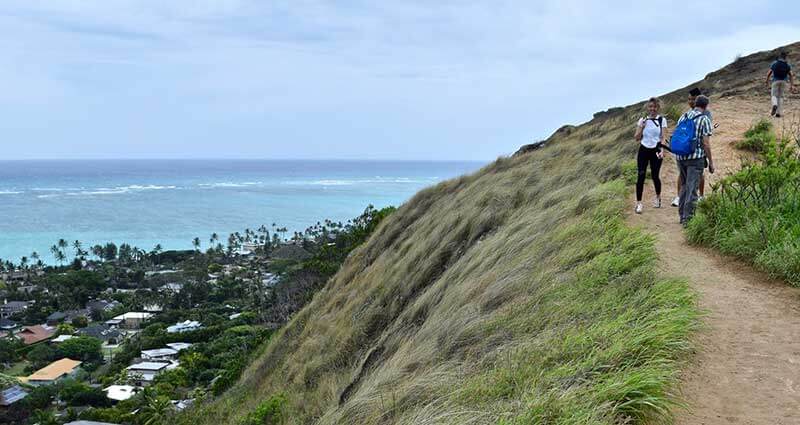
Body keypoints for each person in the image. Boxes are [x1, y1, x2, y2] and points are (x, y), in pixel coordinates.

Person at [674, 95, 714, 226]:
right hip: (695, 158)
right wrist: (711, 162)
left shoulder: (683, 116)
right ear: (706, 106)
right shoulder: (704, 119)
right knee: (692, 189)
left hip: (680, 156)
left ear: (695, 103)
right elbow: (706, 143)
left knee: (685, 186)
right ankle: (688, 220)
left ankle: (682, 216)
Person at [671, 88, 710, 207]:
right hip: (695, 153)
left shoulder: (686, 115)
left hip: (683, 153)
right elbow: (706, 139)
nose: (690, 102)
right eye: (689, 99)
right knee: (691, 182)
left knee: (693, 177)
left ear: (697, 100)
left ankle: (699, 196)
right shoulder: (699, 115)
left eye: (693, 99)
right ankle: (687, 212)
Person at [633, 97, 667, 214]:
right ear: (648, 108)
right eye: (650, 107)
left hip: (656, 150)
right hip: (643, 149)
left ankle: (658, 197)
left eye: (655, 107)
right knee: (641, 175)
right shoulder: (642, 120)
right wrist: (641, 126)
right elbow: (637, 138)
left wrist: (662, 150)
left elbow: (663, 137)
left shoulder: (662, 120)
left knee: (655, 175)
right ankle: (639, 203)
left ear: (658, 108)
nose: (653, 109)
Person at [766, 51, 794, 118]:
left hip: (775, 81)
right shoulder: (787, 65)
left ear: (780, 56)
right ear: (785, 57)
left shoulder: (775, 64)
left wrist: (767, 81)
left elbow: (769, 73)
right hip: (784, 82)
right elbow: (791, 75)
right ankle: (778, 113)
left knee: (774, 96)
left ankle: (774, 105)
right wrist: (791, 85)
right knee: (780, 97)